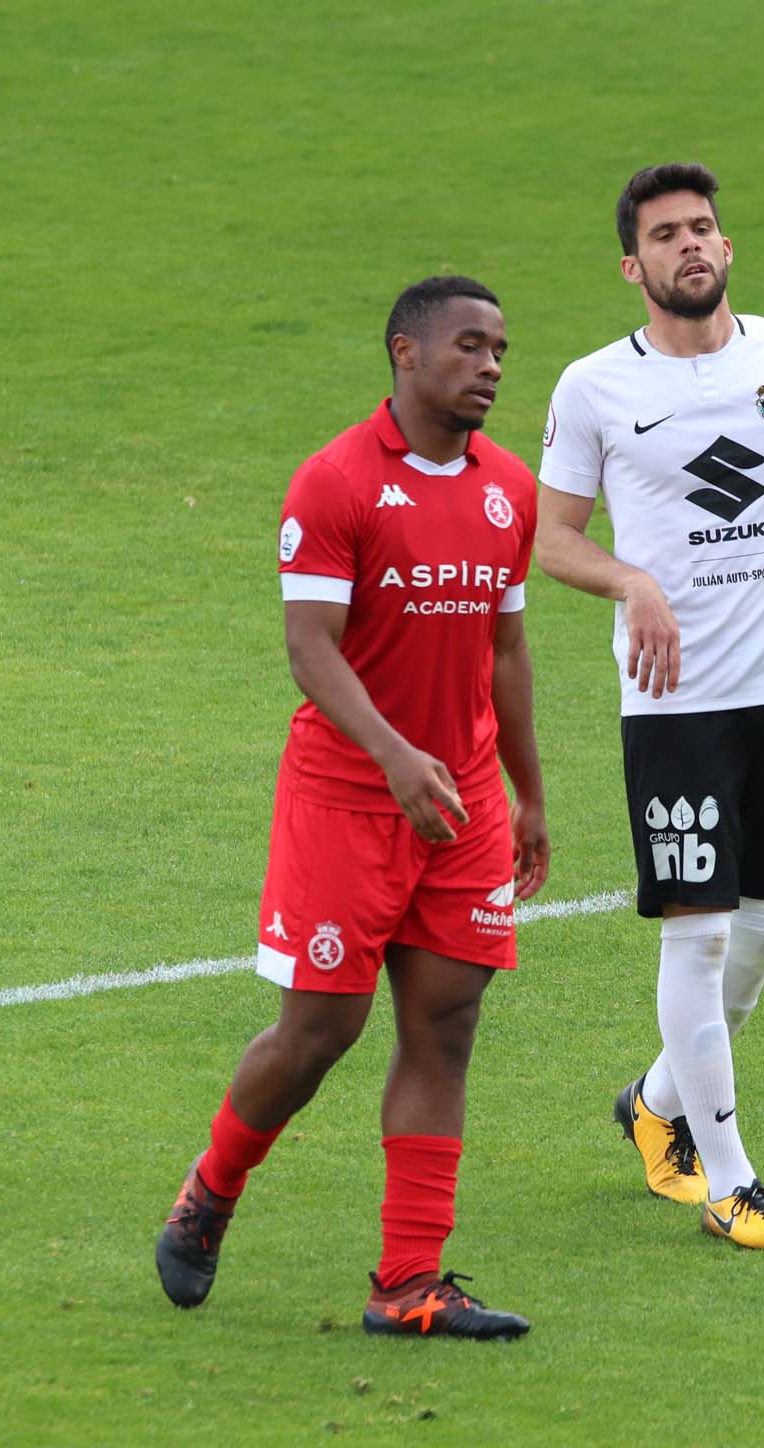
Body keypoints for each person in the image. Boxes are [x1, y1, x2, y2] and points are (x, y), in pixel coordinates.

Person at [156, 275, 549, 1336]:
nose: (492, 366)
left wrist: (528, 791)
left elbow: (505, 649)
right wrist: (392, 755)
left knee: (448, 1022)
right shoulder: (333, 482)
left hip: (460, 798)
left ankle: (410, 1280)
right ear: (406, 354)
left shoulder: (510, 486)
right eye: (470, 345)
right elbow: (309, 648)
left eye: (502, 349)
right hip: (347, 794)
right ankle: (212, 1188)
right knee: (320, 1030)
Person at [536, 164, 764, 1250]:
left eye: (702, 228)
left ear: (725, 248)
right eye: (665, 234)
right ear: (633, 266)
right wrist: (631, 582)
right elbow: (552, 536)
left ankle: (654, 1103)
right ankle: (730, 1178)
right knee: (695, 937)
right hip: (675, 707)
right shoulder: (594, 386)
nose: (689, 244)